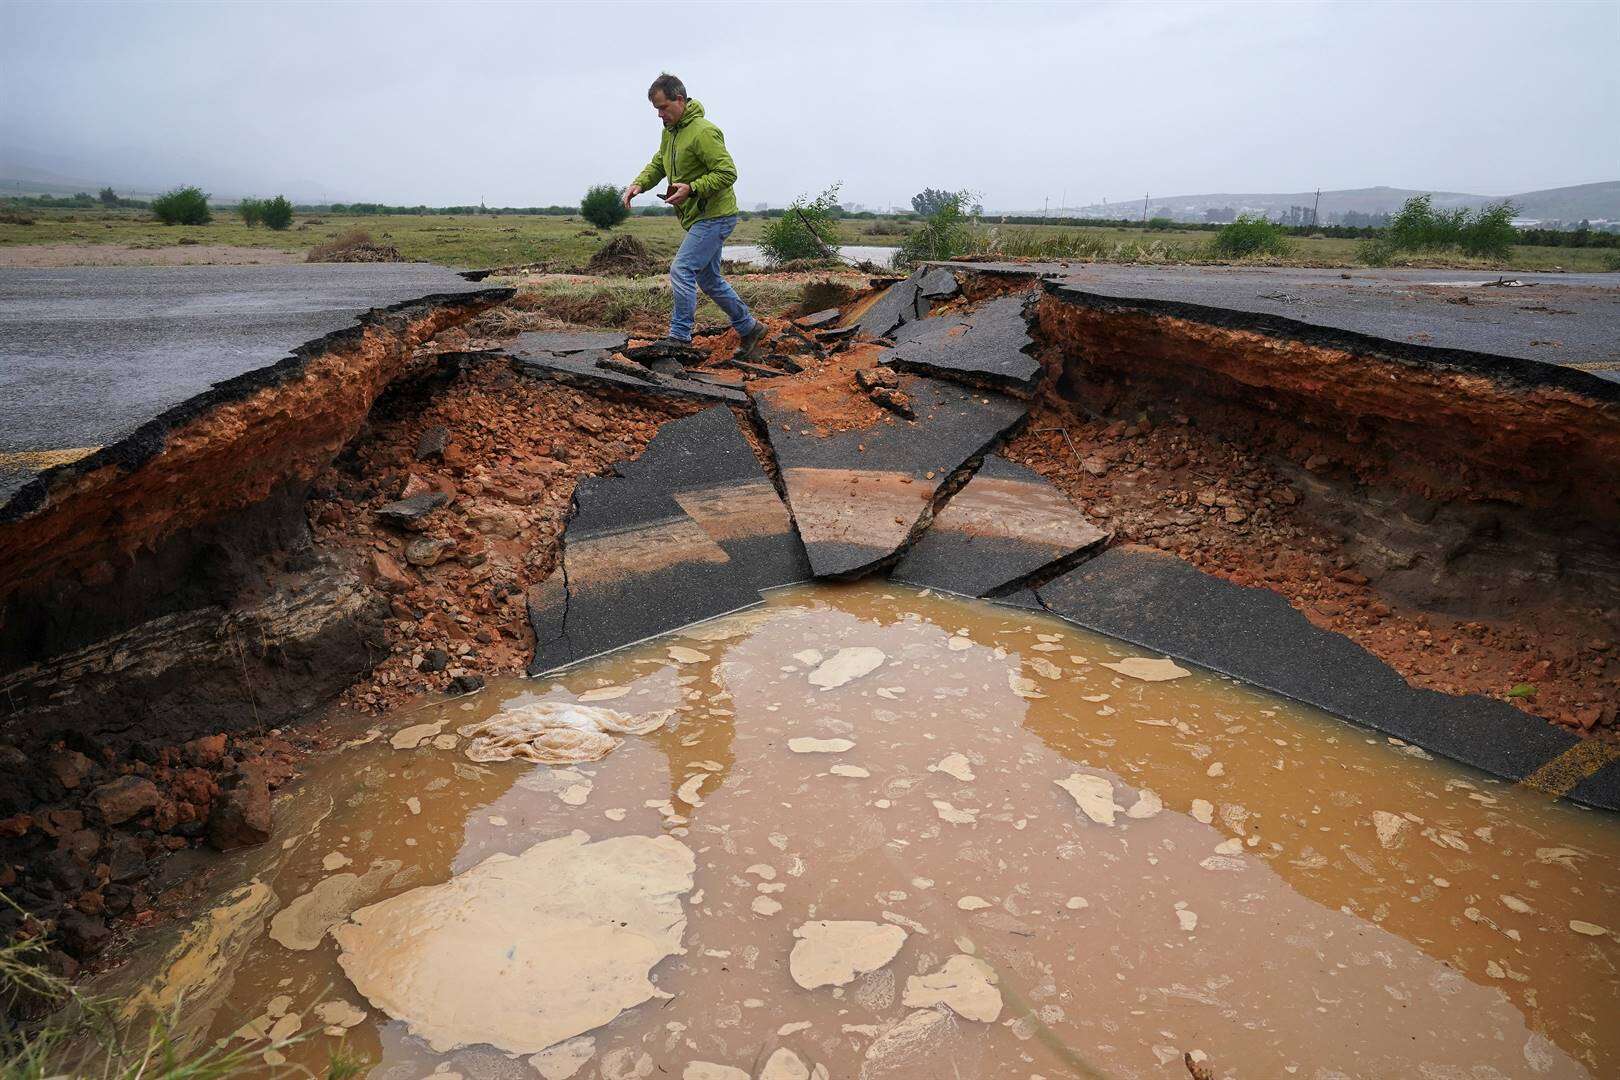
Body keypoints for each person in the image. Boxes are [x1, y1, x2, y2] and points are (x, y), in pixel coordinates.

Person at [623, 73, 764, 355]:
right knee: (709, 279)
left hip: (715, 214)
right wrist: (639, 183)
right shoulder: (670, 132)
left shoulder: (703, 131)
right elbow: (659, 163)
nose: (660, 115)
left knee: (682, 269)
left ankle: (680, 338)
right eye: (656, 109)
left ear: (680, 100)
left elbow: (727, 173)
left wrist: (693, 188)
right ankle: (750, 328)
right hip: (698, 215)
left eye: (663, 107)